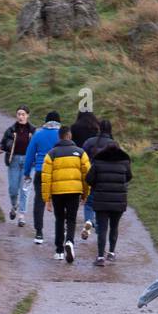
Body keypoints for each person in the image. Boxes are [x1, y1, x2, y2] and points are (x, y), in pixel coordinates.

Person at [40, 125, 91, 263]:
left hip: (57, 192)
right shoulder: (80, 153)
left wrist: (47, 199)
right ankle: (69, 241)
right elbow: (87, 174)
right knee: (72, 219)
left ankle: (59, 251)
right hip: (74, 191)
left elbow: (45, 177)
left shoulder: (51, 154)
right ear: (70, 136)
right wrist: (86, 193)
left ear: (59, 137)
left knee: (59, 219)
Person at [85, 126, 132, 265]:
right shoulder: (124, 163)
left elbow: (88, 179)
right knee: (114, 227)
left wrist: (96, 185)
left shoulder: (98, 162)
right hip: (119, 201)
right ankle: (111, 252)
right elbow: (129, 177)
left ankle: (100, 257)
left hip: (101, 200)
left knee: (102, 228)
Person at [22, 110, 62, 245]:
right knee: (59, 202)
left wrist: (27, 173)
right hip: (58, 172)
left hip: (41, 171)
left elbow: (29, 155)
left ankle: (39, 233)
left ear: (46, 121)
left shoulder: (38, 135)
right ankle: (61, 232)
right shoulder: (63, 135)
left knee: (39, 201)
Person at [0, 106, 36, 223]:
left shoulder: (33, 131)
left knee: (25, 189)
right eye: (18, 114)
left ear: (28, 115)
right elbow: (2, 144)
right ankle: (14, 206)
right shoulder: (11, 130)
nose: (21, 117)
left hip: (28, 163)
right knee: (13, 189)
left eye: (23, 114)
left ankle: (22, 216)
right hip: (14, 161)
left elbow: (38, 146)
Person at [70, 111, 99, 239]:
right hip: (95, 164)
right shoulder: (96, 128)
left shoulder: (74, 128)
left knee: (81, 188)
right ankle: (96, 224)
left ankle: (81, 199)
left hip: (78, 161)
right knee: (95, 196)